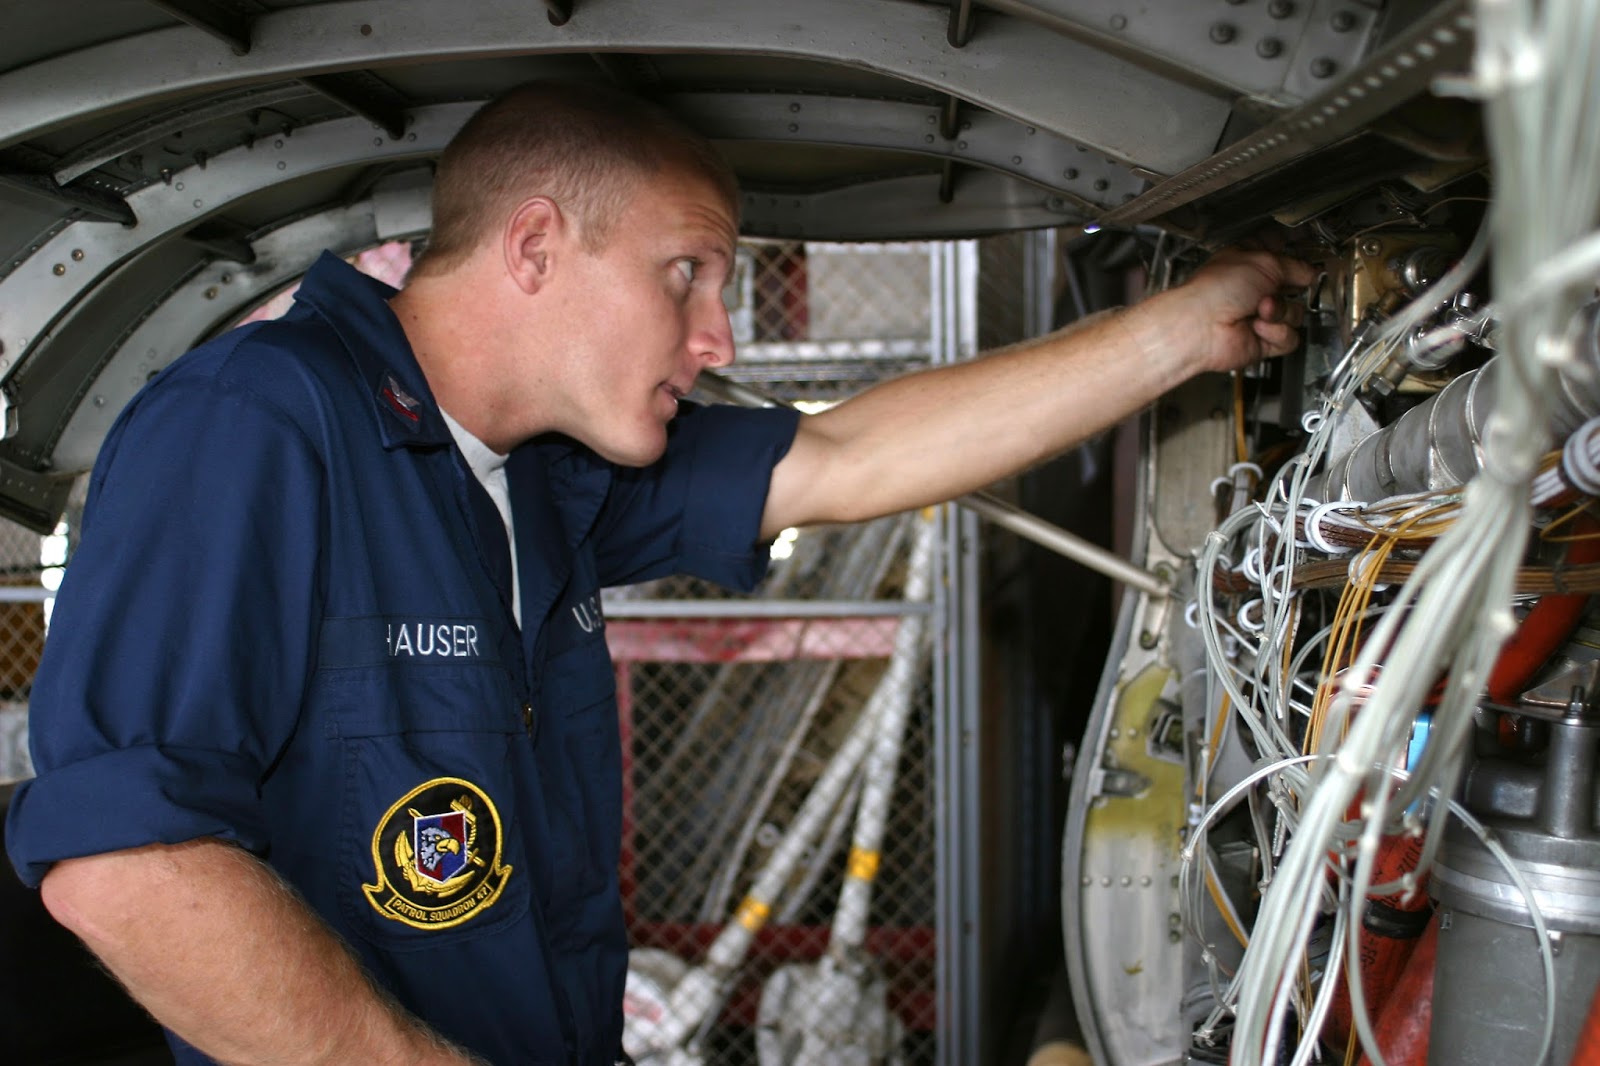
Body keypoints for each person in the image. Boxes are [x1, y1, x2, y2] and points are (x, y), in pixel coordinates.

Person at [4, 81, 1314, 1065]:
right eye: (685, 271)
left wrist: (1176, 332)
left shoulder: (547, 470)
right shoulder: (259, 421)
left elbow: (850, 452)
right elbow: (127, 861)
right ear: (531, 248)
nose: (718, 332)